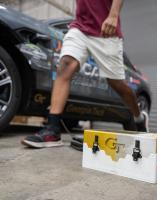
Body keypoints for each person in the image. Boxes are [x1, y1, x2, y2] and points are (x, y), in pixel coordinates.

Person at [21, 0, 149, 148]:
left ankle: (139, 118)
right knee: (65, 66)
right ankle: (52, 130)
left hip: (106, 31)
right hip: (80, 28)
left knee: (116, 83)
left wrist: (113, 15)